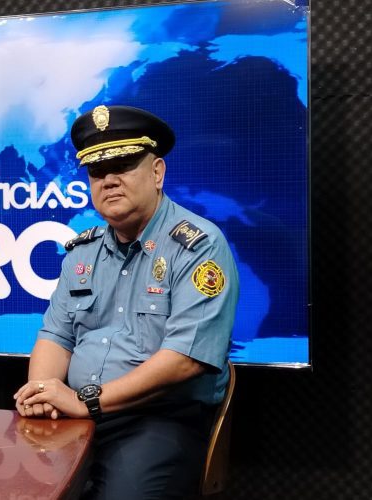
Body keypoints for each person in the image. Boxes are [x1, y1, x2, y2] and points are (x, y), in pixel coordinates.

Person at [14, 105, 239, 499]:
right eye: (97, 171)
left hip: (158, 419)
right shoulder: (81, 252)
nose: (109, 181)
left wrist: (85, 402)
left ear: (157, 173)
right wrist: (41, 391)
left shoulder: (198, 247)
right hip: (75, 415)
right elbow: (56, 336)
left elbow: (185, 360)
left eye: (123, 166)